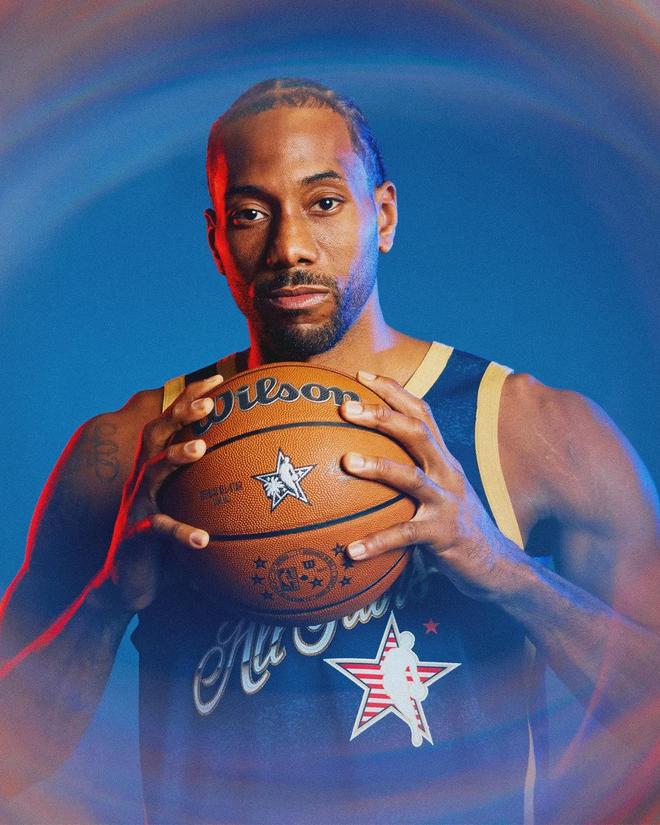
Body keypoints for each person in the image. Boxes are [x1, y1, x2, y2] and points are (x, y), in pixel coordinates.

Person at [0, 78, 658, 824]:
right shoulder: (132, 453)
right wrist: (107, 602)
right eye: (251, 214)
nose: (289, 246)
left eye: (323, 202)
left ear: (383, 215)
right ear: (217, 241)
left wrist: (505, 571)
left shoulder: (533, 434)